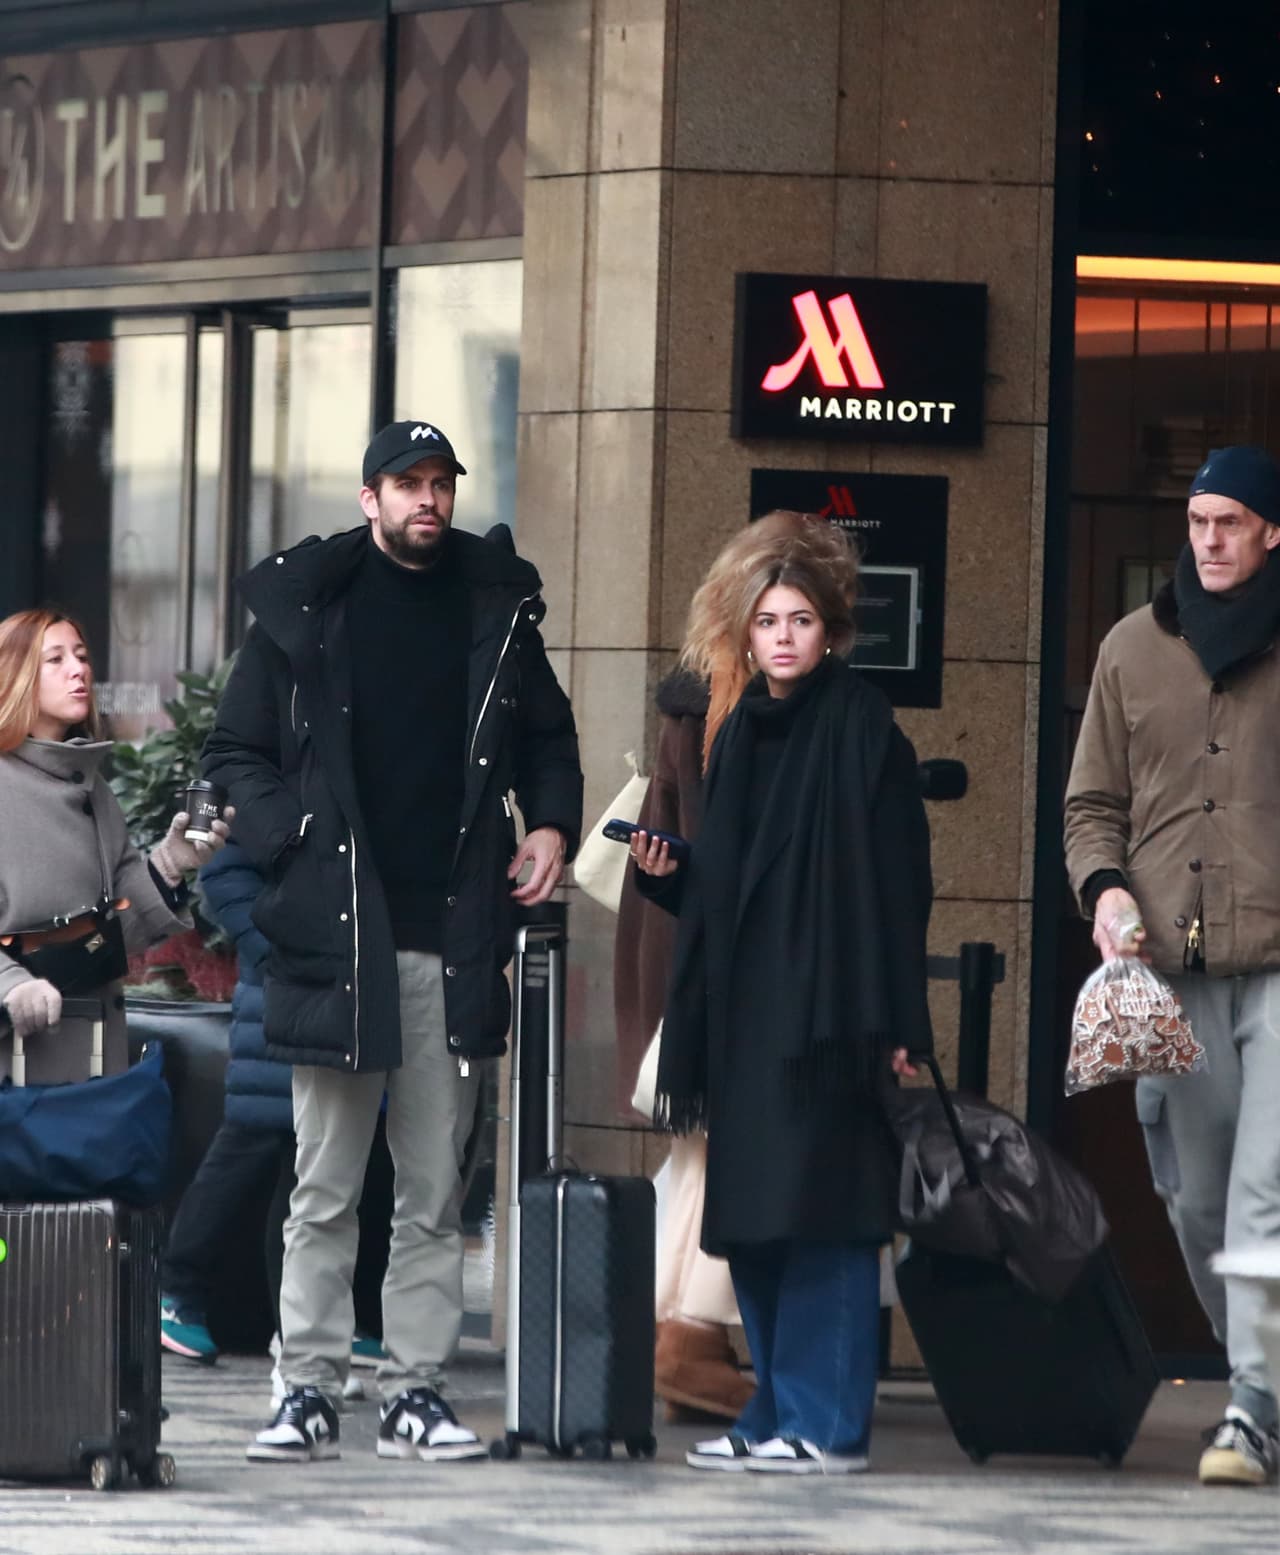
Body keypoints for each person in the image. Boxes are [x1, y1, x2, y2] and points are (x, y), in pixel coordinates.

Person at [203, 419, 583, 1465]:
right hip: (337, 936)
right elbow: (235, 749)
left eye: (439, 483)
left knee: (430, 1188)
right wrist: (294, 842)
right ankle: (308, 1386)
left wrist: (549, 824)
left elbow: (548, 738)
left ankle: (413, 1386)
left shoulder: (494, 605)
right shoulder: (305, 605)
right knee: (324, 1185)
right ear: (368, 496)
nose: (428, 499)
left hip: (449, 936)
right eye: (407, 483)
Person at [630, 514, 933, 1474]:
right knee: (750, 1219)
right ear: (747, 634)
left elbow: (898, 886)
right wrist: (670, 873)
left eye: (801, 620)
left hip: (833, 1016)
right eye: (768, 622)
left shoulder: (864, 728)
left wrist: (897, 1025)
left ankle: (827, 1424)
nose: (786, 637)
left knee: (828, 1224)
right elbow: (730, 877)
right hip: (746, 1013)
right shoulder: (743, 730)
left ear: (831, 629)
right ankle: (773, 1411)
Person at [1065, 444, 1280, 1489]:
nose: (1207, 538)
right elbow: (1088, 806)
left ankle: (1250, 1405)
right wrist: (1105, 890)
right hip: (1170, 972)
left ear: (1269, 532)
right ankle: (1268, 1383)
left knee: (1259, 1199)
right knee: (1194, 1203)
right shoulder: (1128, 648)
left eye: (1229, 521)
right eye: (1196, 520)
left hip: (1279, 966)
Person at [615, 522, 824, 1423]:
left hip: (674, 951)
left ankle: (666, 1332)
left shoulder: (691, 699)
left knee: (699, 1153)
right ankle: (690, 1335)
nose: (785, 632)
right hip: (721, 967)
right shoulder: (748, 712)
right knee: (723, 1154)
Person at [158, 838, 389, 1401]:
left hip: (342, 987)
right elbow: (226, 870)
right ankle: (175, 1292)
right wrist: (273, 948)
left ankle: (301, 1326)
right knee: (253, 1140)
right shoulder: (274, 762)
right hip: (284, 988)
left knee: (305, 1160)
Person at [0, 609, 230, 1082]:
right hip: (16, 1072)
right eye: (55, 659)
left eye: (82, 657)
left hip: (96, 1066)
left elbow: (116, 932)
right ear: (14, 674)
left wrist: (171, 862)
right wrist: (11, 985)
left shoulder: (93, 789)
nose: (78, 669)